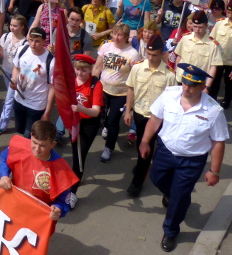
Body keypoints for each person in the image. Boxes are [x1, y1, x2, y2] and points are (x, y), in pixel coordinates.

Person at [140, 64, 229, 252]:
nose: (186, 88)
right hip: (165, 151)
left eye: (192, 86)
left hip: (191, 160)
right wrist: (145, 141)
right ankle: (171, 195)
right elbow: (155, 119)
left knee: (180, 197)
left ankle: (171, 231)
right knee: (157, 179)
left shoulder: (213, 111)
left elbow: (218, 142)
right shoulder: (169, 95)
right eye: (184, 83)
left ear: (202, 87)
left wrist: (214, 171)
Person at [124, 35, 178, 197]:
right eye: (148, 54)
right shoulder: (138, 68)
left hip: (158, 118)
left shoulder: (169, 75)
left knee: (146, 149)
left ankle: (137, 182)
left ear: (161, 53)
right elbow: (131, 89)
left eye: (154, 55)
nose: (151, 57)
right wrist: (128, 111)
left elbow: (171, 100)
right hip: (140, 114)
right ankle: (143, 165)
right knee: (141, 145)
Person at [0, 120, 79, 220]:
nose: (37, 148)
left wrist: (58, 208)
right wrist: (4, 175)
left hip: (38, 215)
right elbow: (5, 158)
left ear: (52, 144)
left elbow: (63, 199)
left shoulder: (61, 169)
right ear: (31, 136)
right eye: (35, 143)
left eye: (43, 145)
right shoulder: (20, 147)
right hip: (14, 204)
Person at [93, 22, 140, 162]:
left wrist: (131, 100)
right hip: (103, 88)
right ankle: (105, 125)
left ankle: (108, 147)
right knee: (102, 115)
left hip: (120, 94)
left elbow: (134, 77)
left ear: (126, 37)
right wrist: (93, 84)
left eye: (120, 35)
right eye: (114, 34)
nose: (116, 37)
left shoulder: (133, 54)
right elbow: (97, 67)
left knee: (114, 120)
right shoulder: (106, 46)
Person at [68, 54, 103, 208]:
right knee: (75, 153)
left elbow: (95, 111)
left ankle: (73, 192)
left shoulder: (96, 84)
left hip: (89, 124)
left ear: (90, 70)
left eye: (84, 70)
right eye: (78, 69)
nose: (80, 73)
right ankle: (76, 177)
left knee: (79, 156)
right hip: (73, 123)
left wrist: (79, 108)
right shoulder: (71, 81)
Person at [11, 27, 54, 138]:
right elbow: (16, 68)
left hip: (36, 105)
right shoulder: (22, 50)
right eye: (31, 40)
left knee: (28, 135)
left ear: (44, 41)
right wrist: (14, 80)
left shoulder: (50, 61)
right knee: (19, 129)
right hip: (19, 99)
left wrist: (47, 112)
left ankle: (27, 154)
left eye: (37, 41)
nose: (33, 44)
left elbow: (52, 88)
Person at [173, 11, 221, 90]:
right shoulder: (185, 38)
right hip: (181, 79)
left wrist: (207, 87)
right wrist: (176, 73)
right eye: (195, 26)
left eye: (200, 27)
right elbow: (179, 57)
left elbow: (213, 67)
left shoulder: (212, 45)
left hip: (198, 82)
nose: (197, 29)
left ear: (206, 26)